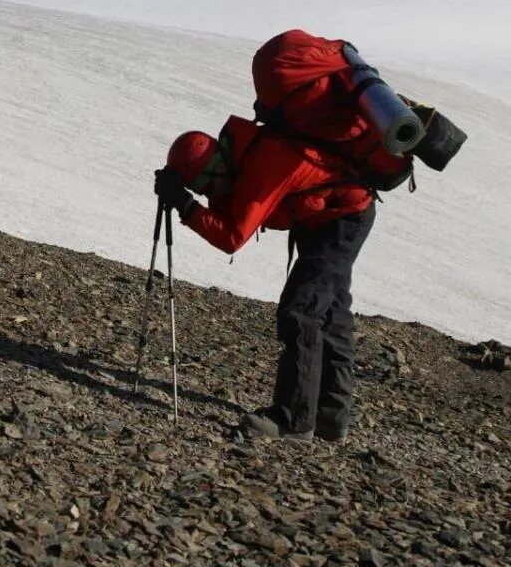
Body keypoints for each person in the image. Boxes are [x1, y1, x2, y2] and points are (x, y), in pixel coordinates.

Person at [154, 116, 375, 444]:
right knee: (330, 312)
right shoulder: (240, 159)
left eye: (207, 186)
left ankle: (294, 421)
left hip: (340, 220)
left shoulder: (262, 165)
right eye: (201, 190)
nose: (209, 194)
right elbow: (230, 210)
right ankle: (330, 417)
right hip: (328, 217)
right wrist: (186, 195)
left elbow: (233, 236)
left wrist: (186, 205)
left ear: (217, 166)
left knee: (301, 311)